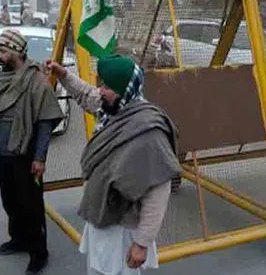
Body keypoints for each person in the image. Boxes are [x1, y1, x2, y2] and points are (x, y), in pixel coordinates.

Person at [46, 55, 180, 275]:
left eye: (107, 86)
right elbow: (86, 94)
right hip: (103, 218)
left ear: (124, 89)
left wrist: (141, 243)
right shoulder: (116, 109)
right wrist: (63, 75)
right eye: (101, 84)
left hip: (123, 229)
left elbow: (158, 192)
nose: (100, 90)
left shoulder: (148, 133)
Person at [0, 29, 64, 275]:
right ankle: (18, 239)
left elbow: (44, 121)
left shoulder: (36, 80)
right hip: (2, 154)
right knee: (10, 202)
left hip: (26, 155)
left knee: (30, 206)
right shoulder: (0, 76)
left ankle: (38, 253)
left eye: (4, 50)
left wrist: (40, 158)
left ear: (17, 52)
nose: (0, 54)